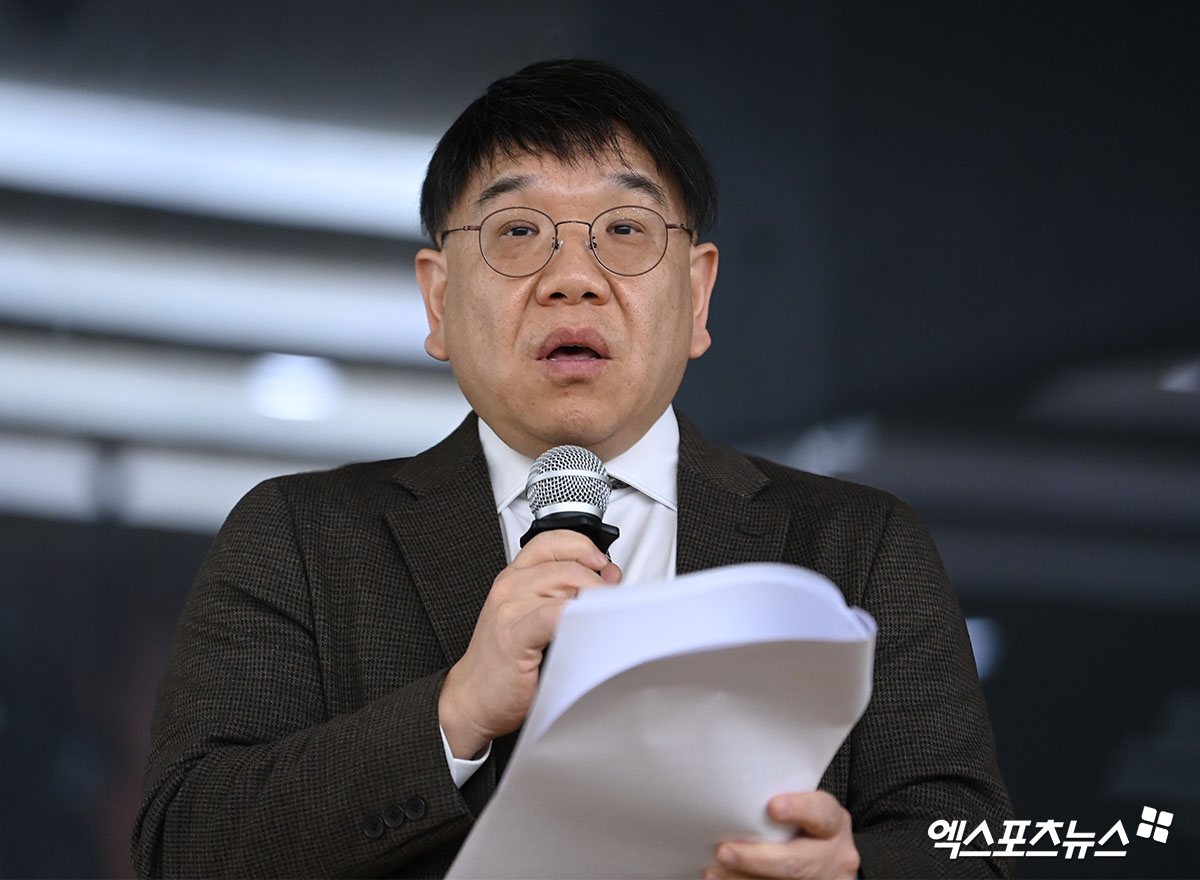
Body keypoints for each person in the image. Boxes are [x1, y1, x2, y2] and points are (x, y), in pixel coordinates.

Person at [132, 59, 1012, 879]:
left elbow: (971, 844)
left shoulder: (858, 544)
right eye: (518, 232)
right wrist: (454, 712)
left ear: (698, 295)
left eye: (624, 230)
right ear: (439, 299)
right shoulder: (300, 536)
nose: (573, 280)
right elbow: (185, 845)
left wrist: (848, 871)